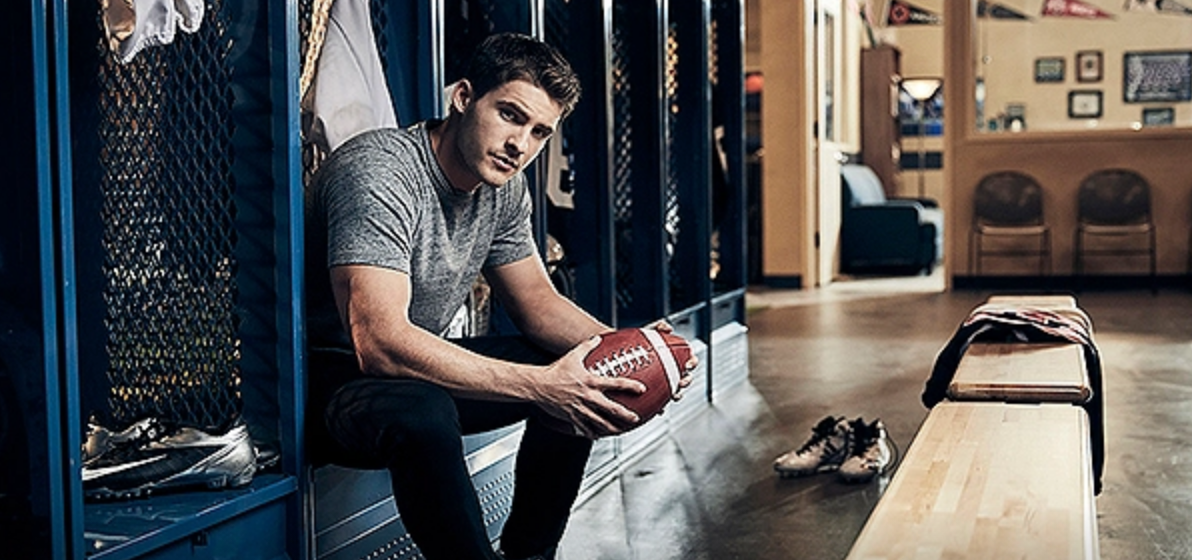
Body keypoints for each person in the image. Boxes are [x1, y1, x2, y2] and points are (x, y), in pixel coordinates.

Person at [304, 32, 696, 560]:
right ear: (463, 97)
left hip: (412, 370)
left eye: (540, 132)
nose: (521, 145)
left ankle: (531, 554)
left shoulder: (504, 186)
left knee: (578, 364)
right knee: (424, 411)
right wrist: (542, 386)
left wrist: (634, 348)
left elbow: (536, 301)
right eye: (510, 115)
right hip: (327, 386)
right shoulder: (380, 172)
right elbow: (380, 343)